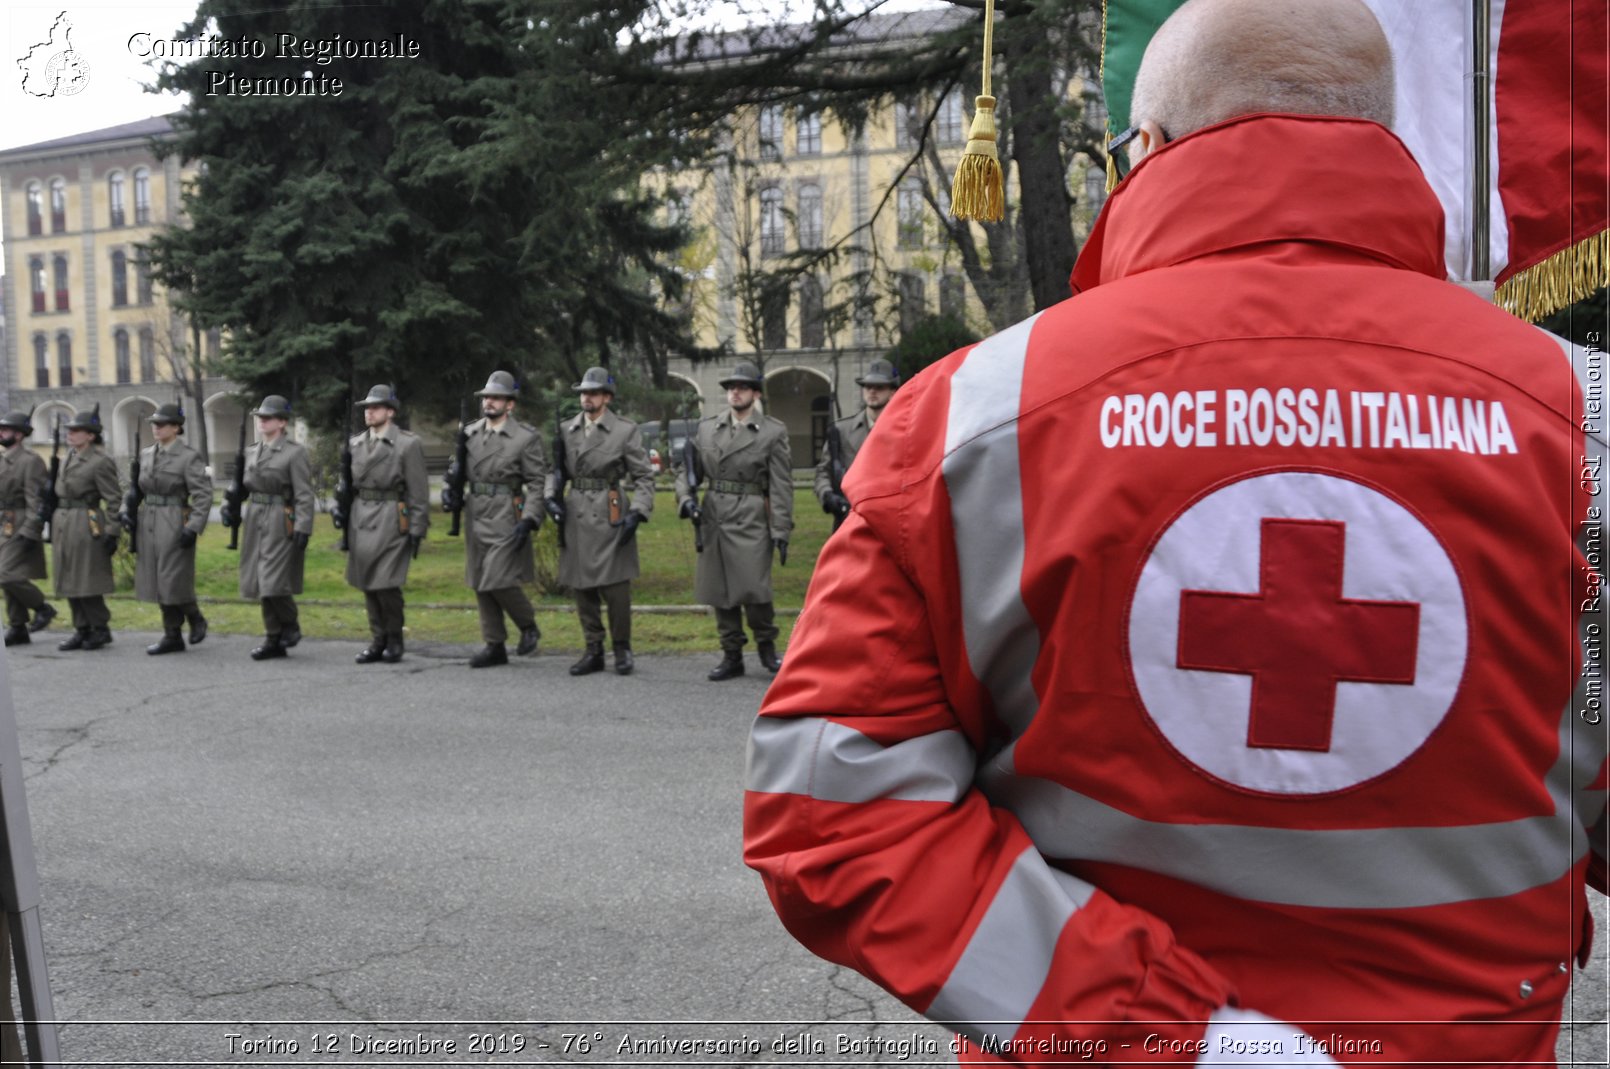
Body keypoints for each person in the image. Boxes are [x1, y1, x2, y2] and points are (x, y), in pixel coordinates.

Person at [743, 0, 1606, 1065]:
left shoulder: (967, 417)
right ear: (1385, 140)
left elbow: (829, 808)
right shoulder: (1585, 423)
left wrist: (1184, 1039)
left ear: (1141, 149)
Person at [674, 361, 793, 681]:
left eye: (741, 387)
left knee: (754, 588)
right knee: (720, 589)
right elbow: (687, 474)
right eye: (730, 388)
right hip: (714, 515)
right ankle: (731, 654)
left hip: (752, 515)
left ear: (755, 393)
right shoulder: (707, 428)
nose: (735, 392)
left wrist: (780, 528)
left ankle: (767, 647)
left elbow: (781, 484)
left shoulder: (772, 431)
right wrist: (686, 500)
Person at [546, 367, 655, 677]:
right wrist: (550, 497)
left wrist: (639, 510)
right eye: (583, 393)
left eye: (592, 393)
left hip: (610, 509)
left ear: (606, 398)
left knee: (616, 587)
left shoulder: (624, 430)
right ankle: (593, 648)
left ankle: (622, 647)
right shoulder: (567, 429)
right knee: (582, 586)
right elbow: (553, 472)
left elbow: (644, 475)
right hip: (577, 509)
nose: (586, 398)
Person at [444, 370, 545, 669]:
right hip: (476, 511)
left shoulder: (525, 438)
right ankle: (494, 644)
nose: (489, 402)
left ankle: (528, 625)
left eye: (496, 398)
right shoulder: (470, 434)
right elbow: (457, 472)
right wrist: (452, 491)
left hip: (505, 513)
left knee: (497, 577)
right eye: (486, 397)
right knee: (479, 579)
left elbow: (538, 482)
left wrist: (530, 518)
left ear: (509, 404)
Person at [337, 385, 429, 664]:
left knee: (386, 584)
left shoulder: (407, 444)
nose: (369, 412)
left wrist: (416, 529)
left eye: (375, 407)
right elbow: (347, 486)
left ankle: (394, 639)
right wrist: (339, 509)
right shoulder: (354, 445)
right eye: (367, 407)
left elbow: (418, 491)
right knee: (368, 583)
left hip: (391, 517)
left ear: (390, 412)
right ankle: (378, 640)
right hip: (361, 517)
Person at [226, 395, 314, 661]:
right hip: (255, 517)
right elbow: (240, 489)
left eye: (268, 417)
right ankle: (273, 637)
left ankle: (290, 623)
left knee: (272, 580)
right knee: (257, 579)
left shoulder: (294, 452)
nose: (262, 421)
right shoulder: (252, 451)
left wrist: (304, 526)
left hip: (280, 518)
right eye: (260, 417)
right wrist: (229, 507)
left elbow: (304, 494)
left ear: (282, 422)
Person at [128, 403, 211, 655]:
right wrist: (126, 511)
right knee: (156, 578)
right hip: (148, 520)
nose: (156, 428)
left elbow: (203, 494)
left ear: (176, 428)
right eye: (154, 423)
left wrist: (193, 526)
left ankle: (195, 617)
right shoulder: (145, 455)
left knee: (172, 578)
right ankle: (172, 634)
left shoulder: (188, 456)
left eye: (162, 424)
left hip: (174, 519)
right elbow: (135, 490)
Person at [51, 407, 121, 651]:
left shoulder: (99, 462)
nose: (70, 434)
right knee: (68, 575)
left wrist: (112, 531)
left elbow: (113, 498)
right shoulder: (67, 457)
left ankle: (100, 628)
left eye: (77, 430)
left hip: (86, 521)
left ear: (91, 435)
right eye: (69, 430)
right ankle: (81, 629)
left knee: (86, 577)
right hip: (64, 520)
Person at [814, 359, 900, 525]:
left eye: (879, 387)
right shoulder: (841, 431)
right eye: (868, 386)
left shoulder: (903, 431)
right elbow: (823, 472)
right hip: (849, 517)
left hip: (890, 519)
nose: (872, 391)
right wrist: (828, 495)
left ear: (892, 392)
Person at [0, 410, 55, 644]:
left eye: (6, 429)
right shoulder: (3, 459)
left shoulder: (30, 461)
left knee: (6, 574)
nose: (1, 432)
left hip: (21, 520)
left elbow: (37, 500)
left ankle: (42, 607)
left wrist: (32, 529)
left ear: (20, 435)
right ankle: (18, 626)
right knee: (11, 574)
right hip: (4, 521)